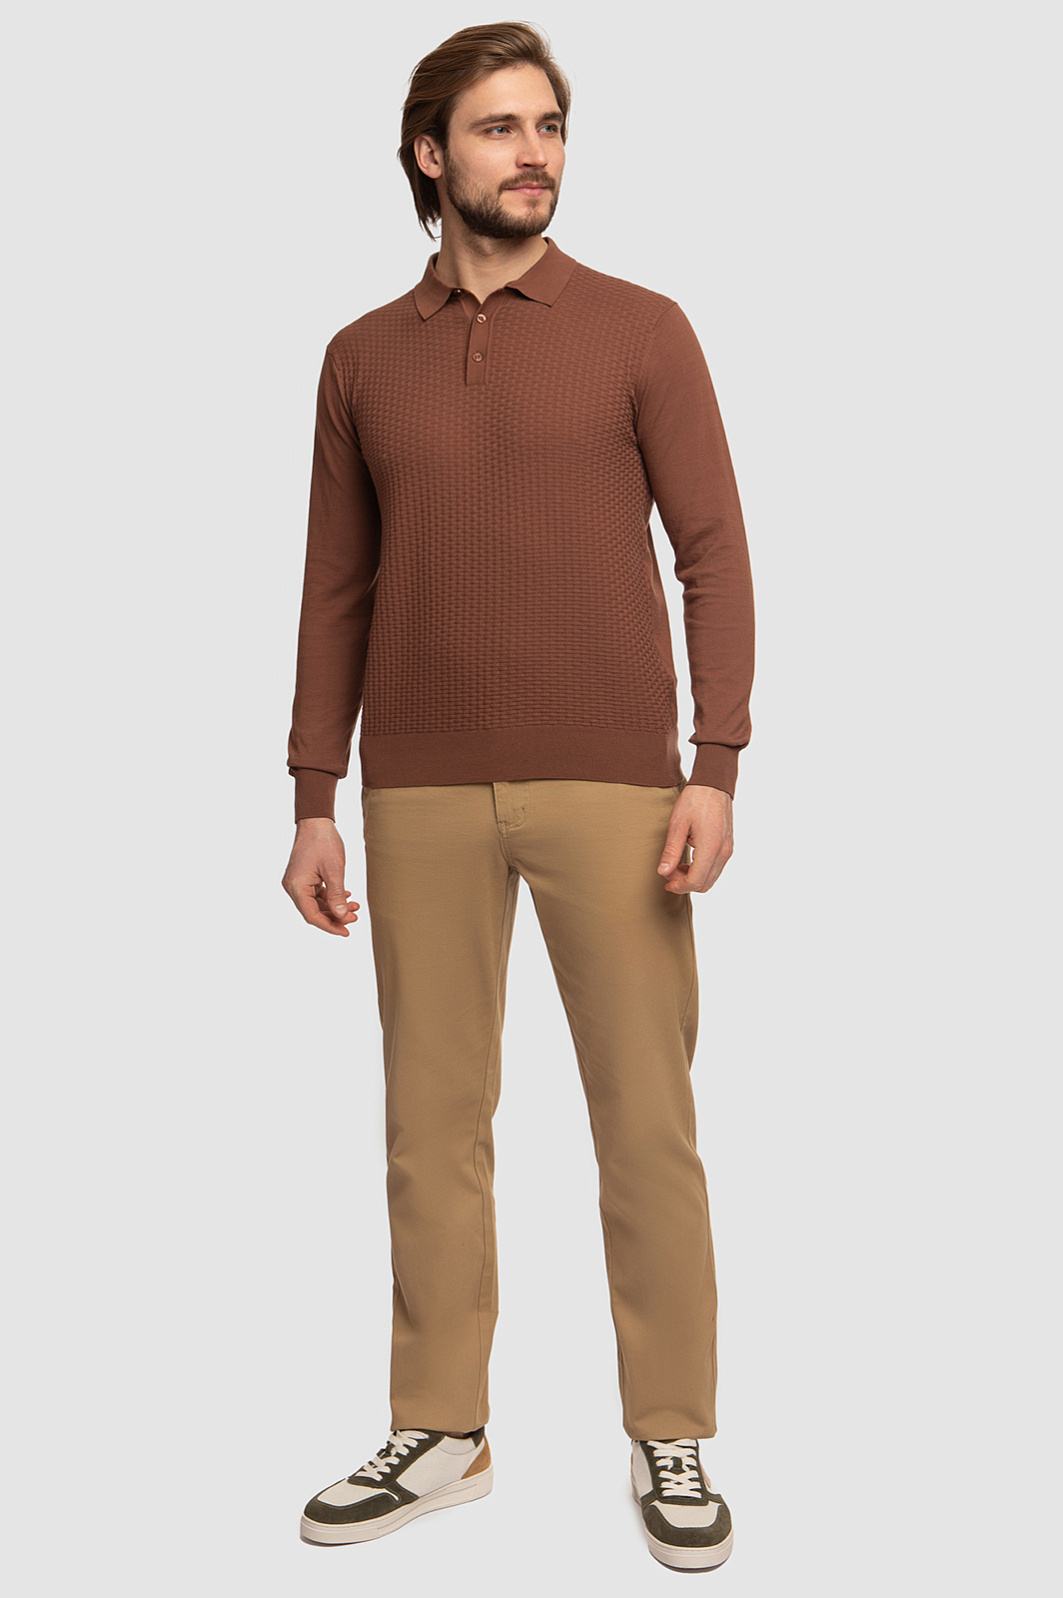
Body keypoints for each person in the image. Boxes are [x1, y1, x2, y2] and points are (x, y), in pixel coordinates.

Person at [281, 20, 754, 1574]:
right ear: (432, 155)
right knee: (429, 1126)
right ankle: (442, 1426)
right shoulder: (363, 357)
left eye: (548, 124)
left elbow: (713, 551)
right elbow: (336, 586)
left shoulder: (641, 330)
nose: (534, 151)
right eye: (499, 128)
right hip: (414, 786)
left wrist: (717, 763)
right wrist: (313, 790)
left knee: (646, 1121)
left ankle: (671, 1426)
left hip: (617, 782)